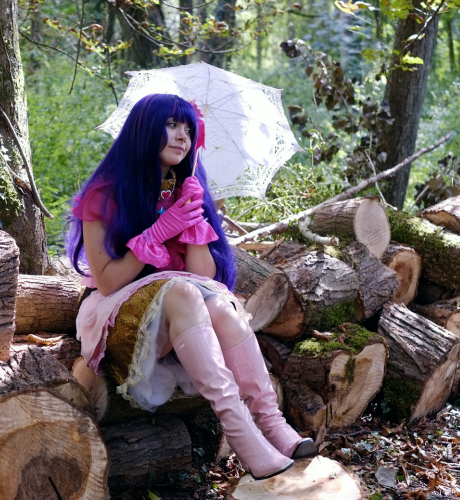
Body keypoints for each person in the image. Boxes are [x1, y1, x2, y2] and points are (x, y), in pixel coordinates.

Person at [65, 93, 316, 480]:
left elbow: (205, 279)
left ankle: (272, 422)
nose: (183, 136)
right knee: (183, 292)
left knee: (219, 305)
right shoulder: (104, 193)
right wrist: (157, 232)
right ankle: (242, 435)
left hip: (184, 321)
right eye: (171, 125)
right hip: (120, 320)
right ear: (144, 130)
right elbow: (108, 281)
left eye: (188, 128)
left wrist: (194, 222)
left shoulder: (184, 188)